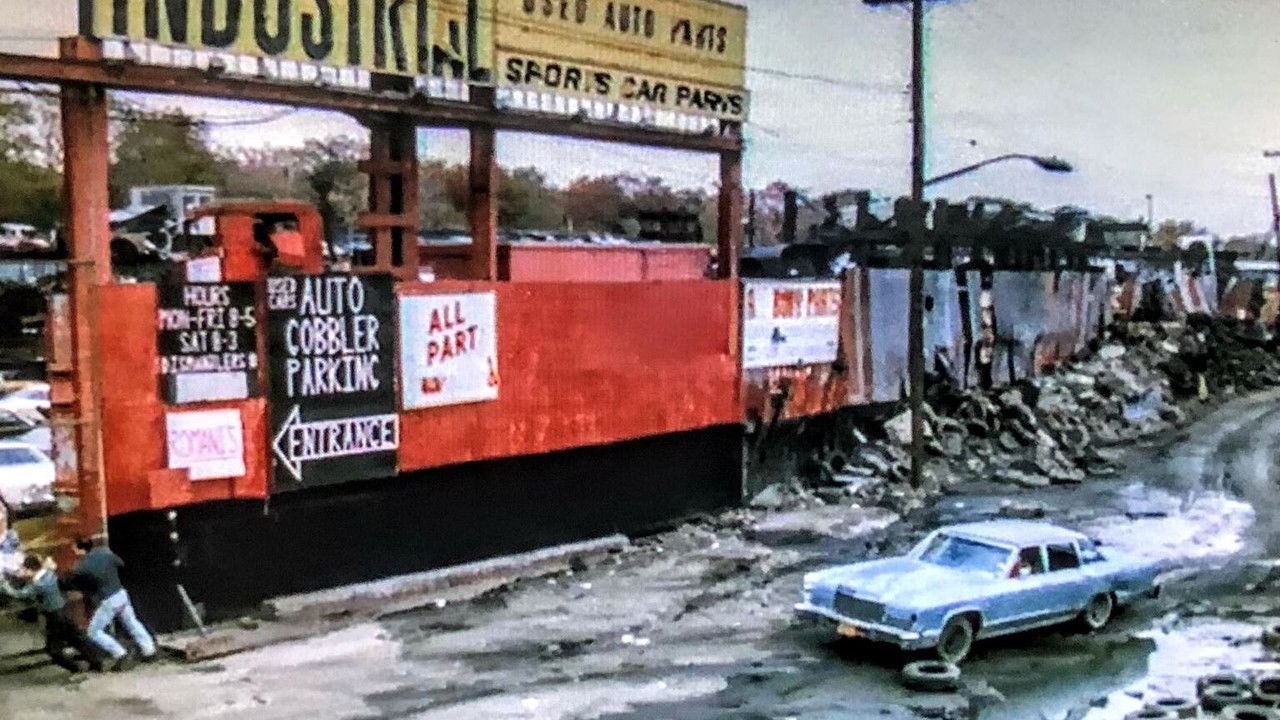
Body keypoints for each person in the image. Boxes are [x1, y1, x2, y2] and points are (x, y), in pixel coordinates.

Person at [0, 554, 101, 673]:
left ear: (31, 570)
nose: (22, 571)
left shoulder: (40, 584)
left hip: (55, 616)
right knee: (76, 639)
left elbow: (20, 594)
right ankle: (95, 662)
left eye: (24, 569)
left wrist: (4, 585)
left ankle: (75, 668)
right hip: (63, 610)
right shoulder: (48, 574)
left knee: (54, 649)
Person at [68, 537, 155, 670]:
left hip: (108, 599)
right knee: (132, 623)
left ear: (79, 549)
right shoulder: (105, 553)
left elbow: (74, 580)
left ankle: (120, 653)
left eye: (74, 549)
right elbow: (121, 563)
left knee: (93, 631)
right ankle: (149, 650)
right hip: (121, 593)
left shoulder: (82, 565)